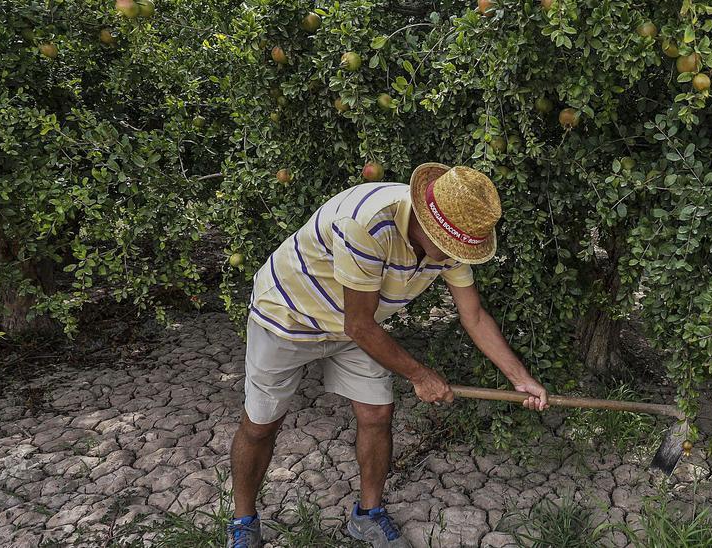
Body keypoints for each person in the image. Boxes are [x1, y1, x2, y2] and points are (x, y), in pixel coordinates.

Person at [225, 164, 549, 548]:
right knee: (261, 424)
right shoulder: (366, 224)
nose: (454, 258)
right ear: (428, 224)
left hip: (357, 325)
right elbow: (358, 326)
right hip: (288, 315)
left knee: (377, 413)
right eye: (451, 249)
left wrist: (519, 377)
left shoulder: (453, 236)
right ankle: (243, 521)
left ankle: (368, 515)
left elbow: (473, 315)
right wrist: (420, 374)